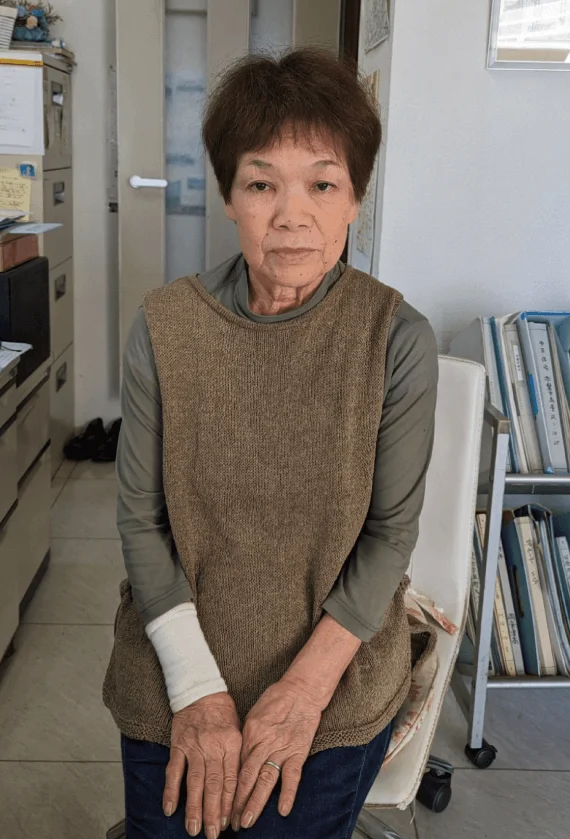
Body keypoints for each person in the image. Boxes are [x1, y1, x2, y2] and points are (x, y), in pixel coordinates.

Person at [103, 47, 438, 839]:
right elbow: (141, 521)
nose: (292, 215)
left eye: (322, 184)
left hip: (333, 672)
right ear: (228, 197)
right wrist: (197, 689)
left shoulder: (396, 338)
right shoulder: (163, 328)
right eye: (261, 184)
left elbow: (390, 532)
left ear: (355, 199)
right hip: (175, 656)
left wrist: (301, 693)